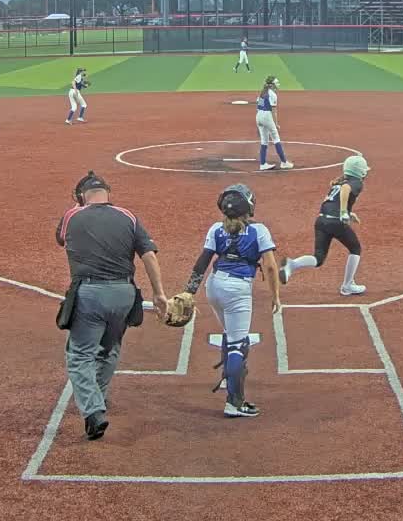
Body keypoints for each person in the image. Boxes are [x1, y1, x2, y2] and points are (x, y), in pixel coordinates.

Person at [55, 171, 167, 440]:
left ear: (82, 196)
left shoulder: (72, 216)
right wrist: (159, 294)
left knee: (80, 355)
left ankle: (93, 411)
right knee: (109, 348)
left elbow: (61, 239)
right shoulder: (128, 216)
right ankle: (98, 396)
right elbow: (149, 255)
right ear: (108, 193)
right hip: (124, 294)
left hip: (90, 294)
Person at [178, 184, 280, 417]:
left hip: (214, 286)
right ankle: (234, 403)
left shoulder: (216, 229)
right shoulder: (259, 230)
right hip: (237, 290)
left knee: (229, 332)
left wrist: (189, 292)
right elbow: (271, 267)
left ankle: (229, 377)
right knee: (238, 344)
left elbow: (202, 261)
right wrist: (275, 295)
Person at [280, 154, 370, 296]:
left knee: (318, 258)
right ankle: (347, 285)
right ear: (360, 171)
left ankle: (292, 264)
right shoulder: (355, 183)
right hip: (335, 222)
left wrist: (348, 213)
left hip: (321, 221)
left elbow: (331, 203)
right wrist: (343, 212)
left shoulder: (339, 182)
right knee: (355, 248)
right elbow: (346, 189)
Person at [255, 75, 293, 171]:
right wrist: (276, 123)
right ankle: (284, 162)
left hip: (258, 115)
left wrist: (259, 123)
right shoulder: (272, 94)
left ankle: (263, 164)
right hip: (267, 115)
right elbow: (274, 111)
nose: (278, 84)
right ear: (272, 85)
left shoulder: (262, 92)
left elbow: (258, 106)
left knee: (264, 141)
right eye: (277, 83)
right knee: (276, 138)